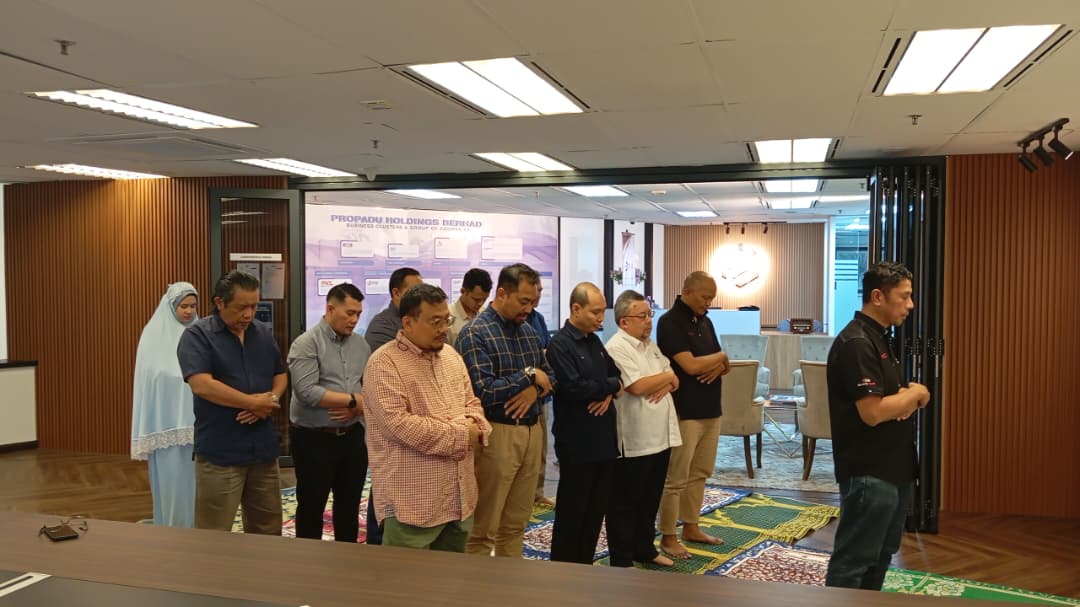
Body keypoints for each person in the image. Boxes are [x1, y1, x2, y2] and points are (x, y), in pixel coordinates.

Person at [825, 262, 930, 591]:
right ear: (877, 297)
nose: (910, 305)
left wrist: (902, 400)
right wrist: (915, 394)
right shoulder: (857, 342)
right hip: (869, 471)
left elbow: (888, 402)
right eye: (904, 296)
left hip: (894, 468)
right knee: (854, 560)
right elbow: (872, 412)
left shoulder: (880, 338)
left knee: (881, 554)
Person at [364, 284, 491, 551]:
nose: (444, 328)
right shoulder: (383, 363)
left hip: (459, 498)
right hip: (413, 504)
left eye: (447, 320)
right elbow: (400, 425)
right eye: (435, 322)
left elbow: (473, 404)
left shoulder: (451, 357)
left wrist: (477, 425)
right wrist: (463, 434)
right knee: (408, 577)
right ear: (408, 323)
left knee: (453, 576)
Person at [457, 263, 554, 557]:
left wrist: (534, 389)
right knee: (483, 527)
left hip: (532, 431)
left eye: (533, 302)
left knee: (516, 524)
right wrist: (528, 375)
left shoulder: (529, 331)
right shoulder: (475, 333)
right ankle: (476, 583)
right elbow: (483, 391)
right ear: (501, 294)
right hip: (496, 434)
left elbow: (551, 378)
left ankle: (509, 582)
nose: (529, 309)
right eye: (523, 301)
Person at [177, 271, 286, 535]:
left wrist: (269, 400)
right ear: (219, 302)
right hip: (221, 452)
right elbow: (202, 384)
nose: (248, 314)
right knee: (214, 534)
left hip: (263, 449)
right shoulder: (197, 336)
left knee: (268, 530)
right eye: (241, 307)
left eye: (254, 306)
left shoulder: (262, 333)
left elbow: (280, 375)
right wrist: (251, 403)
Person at [286, 283, 370, 542]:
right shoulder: (306, 343)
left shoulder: (361, 345)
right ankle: (309, 562)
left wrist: (358, 406)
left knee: (349, 506)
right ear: (330, 309)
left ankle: (347, 559)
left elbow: (370, 388)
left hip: (352, 437)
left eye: (358, 314)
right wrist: (353, 402)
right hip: (314, 438)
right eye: (349, 313)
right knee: (312, 506)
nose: (354, 320)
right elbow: (307, 391)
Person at [545, 282, 622, 564]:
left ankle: (584, 565)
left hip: (604, 440)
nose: (601, 318)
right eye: (595, 312)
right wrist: (608, 388)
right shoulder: (560, 344)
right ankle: (564, 570)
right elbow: (575, 388)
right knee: (572, 512)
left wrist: (607, 391)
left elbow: (617, 376)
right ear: (576, 309)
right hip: (577, 441)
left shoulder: (594, 341)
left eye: (603, 312)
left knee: (595, 511)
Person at [605, 290, 682, 567]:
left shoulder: (650, 345)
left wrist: (666, 379)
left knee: (650, 498)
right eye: (642, 316)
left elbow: (675, 378)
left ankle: (645, 549)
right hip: (635, 438)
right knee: (626, 501)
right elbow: (636, 386)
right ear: (624, 321)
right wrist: (666, 378)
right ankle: (622, 558)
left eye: (650, 315)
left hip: (660, 436)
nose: (649, 321)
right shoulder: (617, 347)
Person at [655, 271, 729, 558]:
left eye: (712, 298)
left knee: (700, 472)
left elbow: (724, 367)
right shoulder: (669, 322)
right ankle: (668, 535)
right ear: (686, 292)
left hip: (711, 408)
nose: (708, 303)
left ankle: (691, 526)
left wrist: (719, 362)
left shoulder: (706, 321)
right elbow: (691, 366)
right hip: (684, 410)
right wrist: (720, 357)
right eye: (704, 297)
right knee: (677, 476)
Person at [131, 282, 200, 527]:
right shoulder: (153, 335)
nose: (189, 311)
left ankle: (196, 529)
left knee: (198, 486)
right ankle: (172, 527)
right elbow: (150, 378)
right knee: (172, 483)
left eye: (193, 306)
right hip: (166, 424)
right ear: (171, 306)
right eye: (183, 306)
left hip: (198, 425)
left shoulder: (200, 334)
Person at [363, 266, 423, 544]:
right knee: (386, 490)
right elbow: (400, 374)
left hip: (420, 423)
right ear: (396, 293)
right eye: (413, 291)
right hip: (392, 425)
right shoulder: (382, 327)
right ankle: (377, 544)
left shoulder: (420, 323)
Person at [526, 281, 555, 507]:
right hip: (515, 396)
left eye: (541, 291)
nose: (538, 295)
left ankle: (537, 493)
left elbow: (547, 353)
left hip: (540, 394)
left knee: (541, 448)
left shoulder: (538, 319)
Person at [447, 268, 492, 347]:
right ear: (463, 291)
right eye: (476, 299)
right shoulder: (446, 315)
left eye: (484, 299)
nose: (481, 304)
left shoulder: (486, 314)